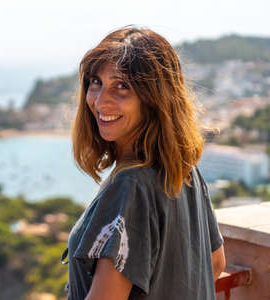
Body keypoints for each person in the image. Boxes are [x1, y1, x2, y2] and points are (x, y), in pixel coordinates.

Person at [61, 26, 226, 300]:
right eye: (96, 82)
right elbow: (216, 263)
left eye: (122, 86)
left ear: (153, 99)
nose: (101, 101)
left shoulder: (131, 187)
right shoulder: (184, 170)